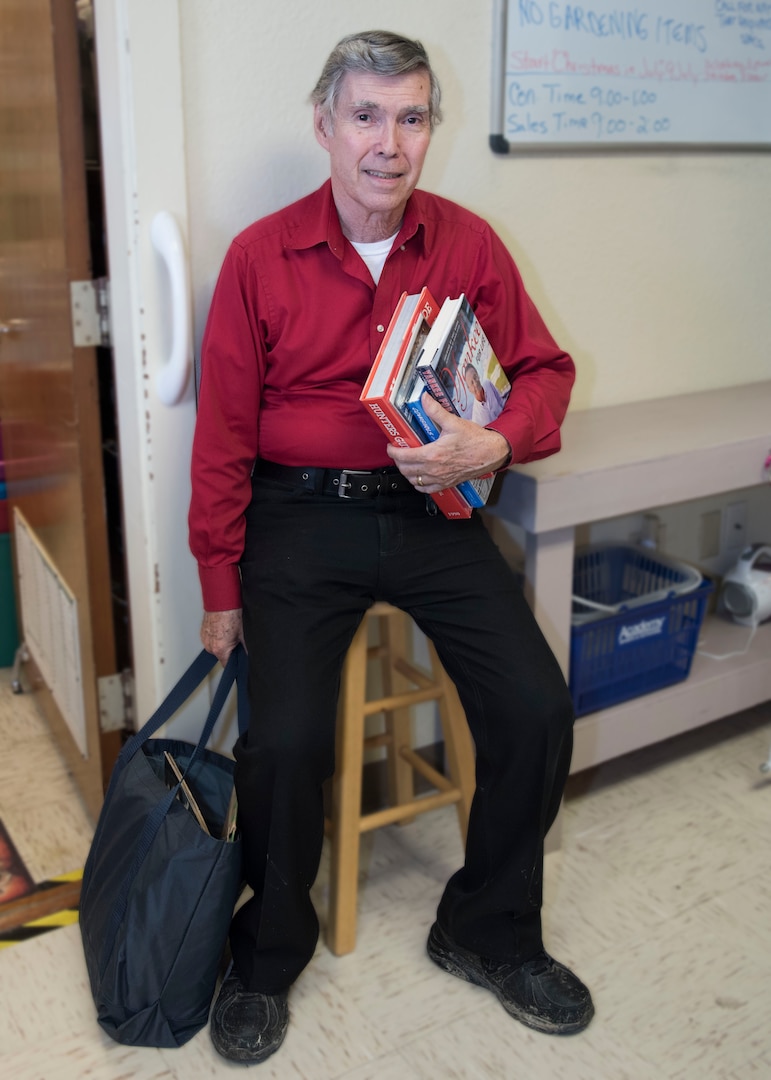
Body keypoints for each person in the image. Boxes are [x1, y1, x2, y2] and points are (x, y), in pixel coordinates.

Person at [189, 29, 593, 1066]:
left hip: (435, 512)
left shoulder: (468, 243)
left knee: (538, 706)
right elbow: (224, 436)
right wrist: (219, 585)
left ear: (429, 132)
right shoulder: (258, 256)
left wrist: (491, 440)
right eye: (365, 116)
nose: (387, 142)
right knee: (281, 741)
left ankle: (485, 927)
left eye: (410, 117)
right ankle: (267, 955)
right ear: (324, 126)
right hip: (298, 518)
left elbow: (547, 370)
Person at [462, 360, 508, 425]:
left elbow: (501, 402)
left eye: (475, 377)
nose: (475, 383)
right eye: (472, 382)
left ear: (478, 375)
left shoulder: (488, 384)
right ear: (469, 389)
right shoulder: (476, 418)